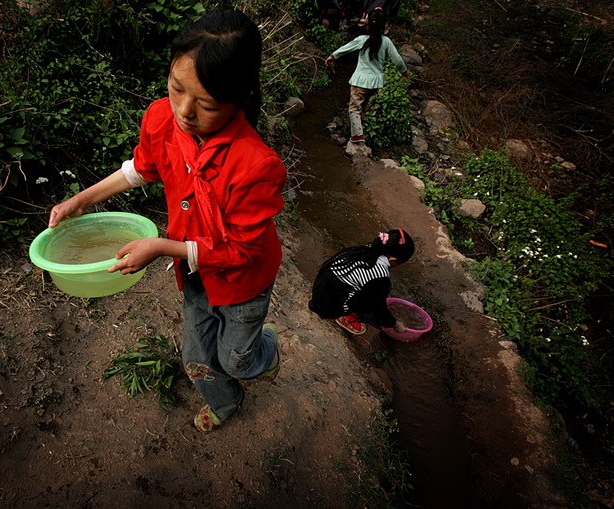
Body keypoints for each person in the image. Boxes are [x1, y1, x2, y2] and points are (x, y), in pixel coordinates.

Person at [48, 9, 287, 433]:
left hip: (243, 282)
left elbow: (242, 250)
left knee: (238, 359)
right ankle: (226, 404)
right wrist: (80, 199)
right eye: (176, 89)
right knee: (195, 357)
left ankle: (263, 351)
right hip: (196, 273)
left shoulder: (256, 165)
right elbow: (140, 167)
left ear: (241, 99)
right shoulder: (161, 118)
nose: (184, 111)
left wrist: (160, 246)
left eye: (207, 104)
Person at [308, 228, 415, 335]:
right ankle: (344, 316)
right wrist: (394, 324)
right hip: (326, 306)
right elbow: (378, 307)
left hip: (321, 288)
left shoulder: (365, 249)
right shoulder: (380, 274)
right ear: (393, 259)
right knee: (373, 303)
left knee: (372, 291)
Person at [325, 7, 407, 145]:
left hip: (360, 81)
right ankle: (361, 129)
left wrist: (333, 56)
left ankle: (357, 136)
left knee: (354, 109)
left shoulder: (363, 39)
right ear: (384, 26)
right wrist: (404, 72)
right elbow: (397, 59)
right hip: (375, 83)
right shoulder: (386, 42)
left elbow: (347, 48)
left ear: (368, 23)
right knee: (364, 106)